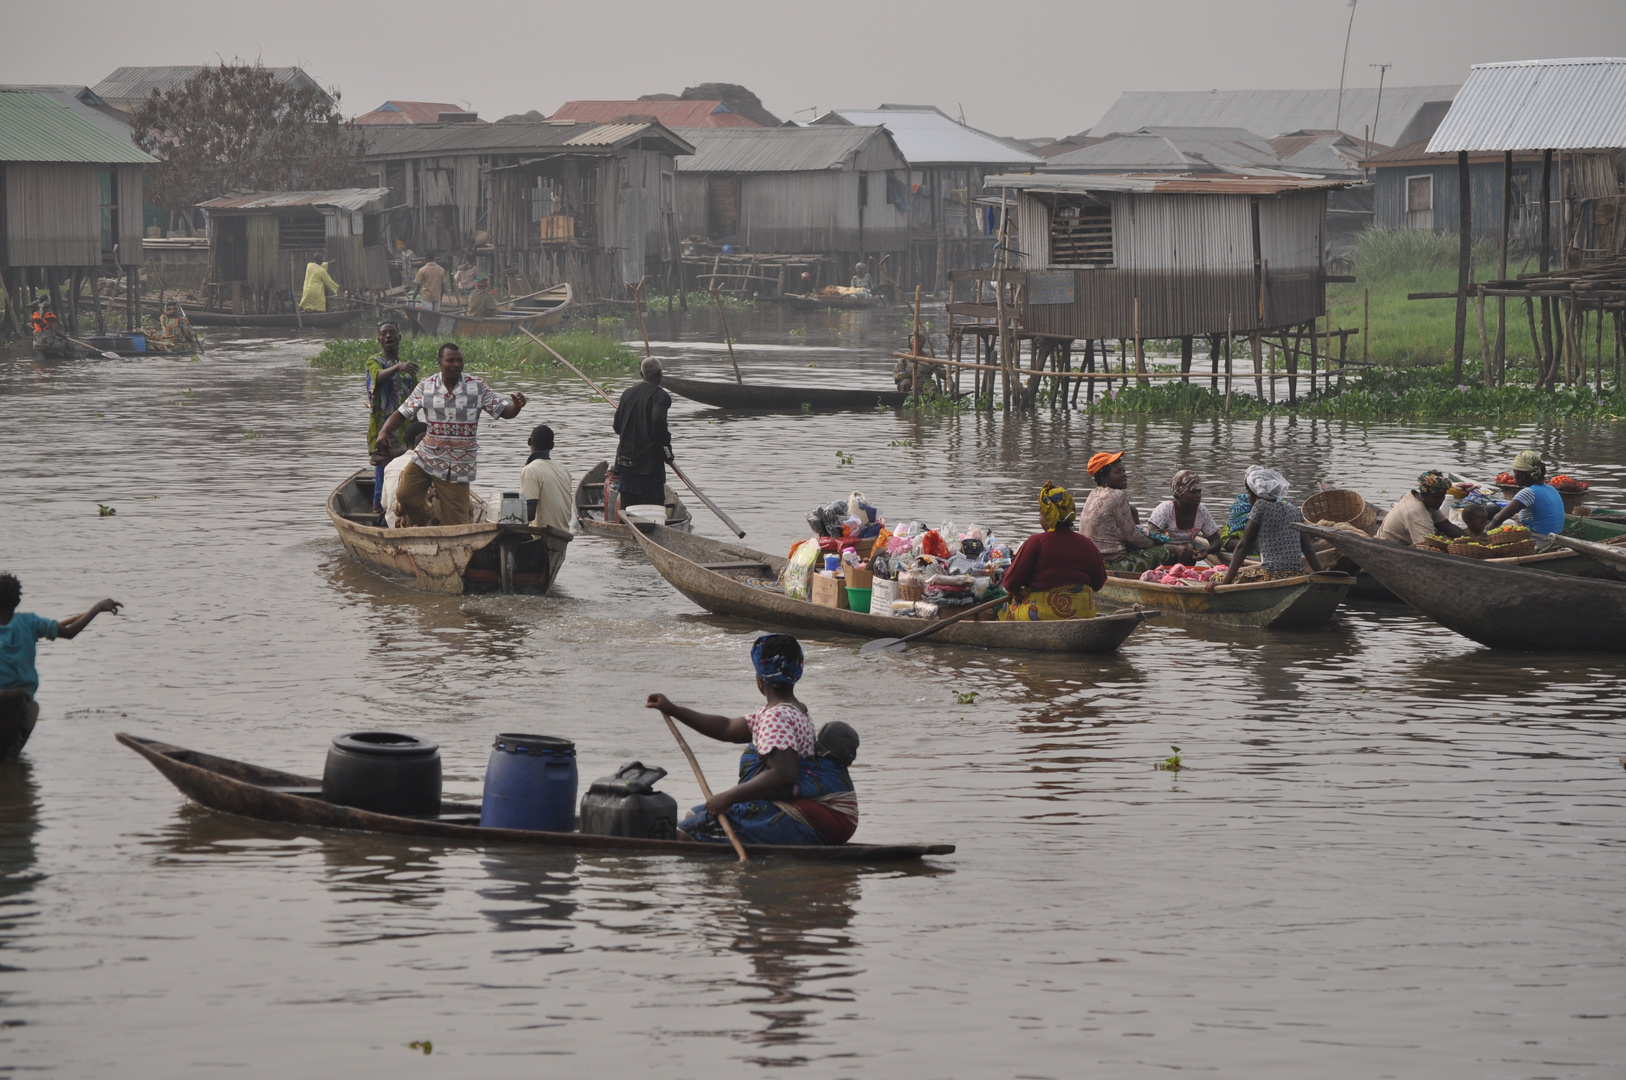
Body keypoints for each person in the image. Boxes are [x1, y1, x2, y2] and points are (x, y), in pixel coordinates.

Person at [644, 634, 859, 846]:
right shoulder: (793, 710)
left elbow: (784, 774)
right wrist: (673, 709)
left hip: (788, 811)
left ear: (760, 680)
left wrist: (728, 797)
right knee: (694, 815)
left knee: (686, 833)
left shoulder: (777, 717)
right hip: (782, 804)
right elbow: (726, 728)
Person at [376, 342, 527, 527]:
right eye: (451, 360)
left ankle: (454, 540)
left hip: (458, 462)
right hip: (427, 455)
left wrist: (516, 406)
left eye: (459, 361)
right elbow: (401, 414)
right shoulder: (427, 386)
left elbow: (504, 411)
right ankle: (429, 519)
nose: (456, 364)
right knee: (405, 495)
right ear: (440, 362)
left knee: (458, 521)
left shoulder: (477, 386)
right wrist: (383, 432)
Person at [0, 574, 122, 759]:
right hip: (22, 699)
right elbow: (70, 632)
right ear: (18, 600)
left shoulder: (31, 623)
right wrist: (97, 608)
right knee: (34, 708)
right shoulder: (30, 622)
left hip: (11, 698)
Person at [998, 483, 1107, 621]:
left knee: (1004, 606)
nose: (1039, 518)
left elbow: (1009, 583)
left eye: (1041, 513)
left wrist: (1021, 590)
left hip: (1040, 614)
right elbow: (1098, 583)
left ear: (1047, 515)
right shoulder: (1087, 543)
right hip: (1082, 613)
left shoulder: (1036, 542)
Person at [1214, 466, 1324, 585]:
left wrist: (1225, 582)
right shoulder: (1294, 509)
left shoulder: (1260, 506)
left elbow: (1243, 546)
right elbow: (1308, 549)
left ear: (1255, 494)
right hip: (1297, 574)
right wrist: (1323, 576)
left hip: (1272, 575)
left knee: (1217, 577)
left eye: (1248, 493)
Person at [1078, 451, 1163, 572]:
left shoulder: (1094, 493)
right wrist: (1154, 542)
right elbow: (1133, 536)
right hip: (1113, 563)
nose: (1124, 475)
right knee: (1166, 551)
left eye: (1123, 471)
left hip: (1091, 560)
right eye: (1118, 472)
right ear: (1104, 477)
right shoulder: (1118, 495)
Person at [365, 321, 419, 512]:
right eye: (383, 333)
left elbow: (415, 398)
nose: (388, 336)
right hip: (383, 430)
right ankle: (379, 515)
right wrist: (398, 368)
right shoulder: (375, 362)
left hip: (404, 431)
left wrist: (418, 429)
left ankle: (402, 512)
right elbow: (378, 378)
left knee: (405, 475)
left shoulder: (407, 366)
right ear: (379, 339)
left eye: (392, 333)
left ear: (399, 337)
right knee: (383, 475)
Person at [611, 356, 674, 516]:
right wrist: (667, 454)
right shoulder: (661, 396)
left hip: (625, 465)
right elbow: (658, 421)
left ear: (642, 374)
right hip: (649, 469)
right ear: (659, 374)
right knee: (653, 513)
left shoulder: (627, 394)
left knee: (628, 514)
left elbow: (617, 426)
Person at [1148, 470, 1222, 564]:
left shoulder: (1202, 511)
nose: (1198, 496)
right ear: (1180, 493)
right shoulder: (1165, 509)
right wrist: (1175, 549)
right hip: (1162, 557)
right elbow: (1148, 541)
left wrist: (1207, 550)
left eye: (1199, 492)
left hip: (1186, 557)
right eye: (1193, 492)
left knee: (1189, 550)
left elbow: (1216, 540)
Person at [1376, 470, 1464, 547]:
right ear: (1424, 495)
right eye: (1437, 497)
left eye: (1443, 496)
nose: (1441, 500)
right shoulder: (1416, 513)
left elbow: (1446, 526)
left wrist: (1473, 540)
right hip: (1390, 547)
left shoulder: (1426, 501)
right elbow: (1427, 547)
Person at [1488, 450, 1565, 535]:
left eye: (1515, 472)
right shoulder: (1551, 489)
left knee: (1507, 524)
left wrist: (1485, 530)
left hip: (1540, 539)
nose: (1514, 476)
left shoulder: (1528, 492)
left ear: (1523, 474)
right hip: (1557, 537)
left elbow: (1497, 519)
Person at [519, 424, 573, 532]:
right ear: (552, 446)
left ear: (529, 442)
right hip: (563, 533)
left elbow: (529, 515)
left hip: (541, 536)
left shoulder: (531, 470)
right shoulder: (563, 469)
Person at [381, 421, 428, 528]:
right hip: (414, 525)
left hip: (393, 526)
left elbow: (384, 504)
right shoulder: (431, 466)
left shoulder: (391, 465)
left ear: (404, 437)